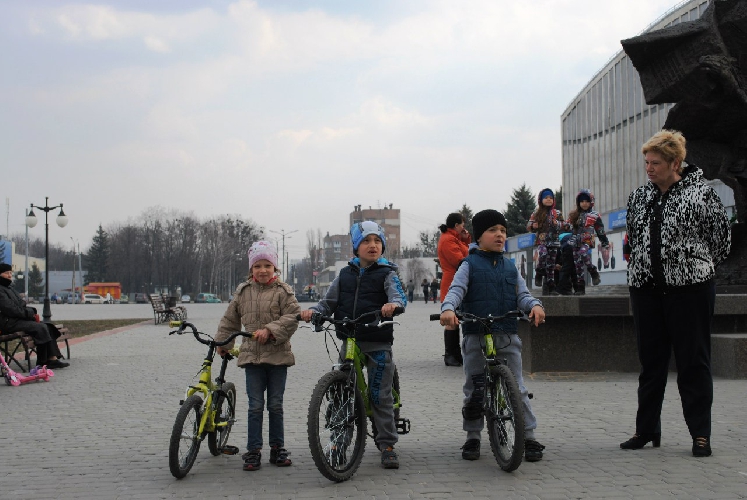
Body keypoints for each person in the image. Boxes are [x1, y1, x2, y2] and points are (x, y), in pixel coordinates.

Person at [621, 130, 731, 458]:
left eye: (656, 163)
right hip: (646, 291)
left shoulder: (701, 194)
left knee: (693, 362)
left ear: (675, 163)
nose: (649, 168)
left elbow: (721, 242)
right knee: (651, 363)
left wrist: (691, 264)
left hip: (690, 292)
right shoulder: (639, 196)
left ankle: (700, 434)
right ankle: (646, 430)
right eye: (646, 162)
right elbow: (634, 237)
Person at [440, 210, 547, 463]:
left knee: (518, 388)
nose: (499, 235)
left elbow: (522, 294)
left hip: (506, 333)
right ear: (479, 236)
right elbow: (456, 290)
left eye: (503, 230)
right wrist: (448, 309)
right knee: (474, 389)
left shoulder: (510, 266)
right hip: (477, 334)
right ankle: (473, 436)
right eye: (492, 230)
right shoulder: (469, 264)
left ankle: (528, 436)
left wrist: (534, 305)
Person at [300, 221, 407, 469]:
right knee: (341, 394)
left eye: (377, 241)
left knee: (379, 395)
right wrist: (314, 312)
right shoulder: (345, 275)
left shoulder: (387, 273)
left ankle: (387, 444)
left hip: (378, 342)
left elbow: (398, 296)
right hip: (349, 340)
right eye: (366, 241)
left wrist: (393, 306)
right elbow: (328, 303)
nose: (372, 246)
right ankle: (339, 442)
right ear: (356, 248)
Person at [214, 241, 301, 471]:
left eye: (267, 265)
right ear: (251, 269)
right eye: (257, 266)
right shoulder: (243, 292)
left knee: (275, 405)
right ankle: (253, 450)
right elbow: (230, 320)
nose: (263, 270)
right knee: (255, 406)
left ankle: (277, 448)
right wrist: (224, 342)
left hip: (277, 357)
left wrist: (271, 330)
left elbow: (293, 317)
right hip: (252, 358)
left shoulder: (283, 292)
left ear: (275, 268)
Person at [0, 264, 69, 369]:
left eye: (10, 273)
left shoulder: (9, 288)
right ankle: (42, 362)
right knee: (40, 327)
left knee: (47, 326)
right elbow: (10, 309)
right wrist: (28, 314)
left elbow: (21, 304)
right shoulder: (1, 290)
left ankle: (52, 359)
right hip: (7, 323)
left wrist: (30, 311)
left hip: (16, 320)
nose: (10, 275)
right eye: (6, 273)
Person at [436, 212, 471, 366]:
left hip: (456, 279)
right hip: (452, 280)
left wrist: (465, 237)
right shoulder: (448, 239)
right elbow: (459, 260)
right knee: (452, 320)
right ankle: (451, 355)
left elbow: (464, 249)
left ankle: (456, 354)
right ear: (456, 225)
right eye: (462, 224)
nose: (464, 227)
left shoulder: (453, 238)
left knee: (456, 318)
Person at [566, 189, 609, 295]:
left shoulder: (594, 215)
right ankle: (580, 287)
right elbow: (566, 227)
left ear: (591, 202)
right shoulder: (573, 215)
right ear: (578, 203)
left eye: (587, 201)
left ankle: (593, 270)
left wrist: (604, 241)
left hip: (587, 240)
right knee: (578, 265)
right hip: (575, 241)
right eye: (582, 201)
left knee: (583, 253)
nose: (584, 203)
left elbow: (600, 229)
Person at [527, 188, 564, 295]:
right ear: (541, 200)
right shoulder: (537, 213)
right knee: (543, 254)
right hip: (542, 241)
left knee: (551, 266)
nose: (548, 200)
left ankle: (551, 287)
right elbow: (529, 226)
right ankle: (538, 272)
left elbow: (566, 226)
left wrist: (557, 223)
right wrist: (533, 226)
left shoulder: (557, 213)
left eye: (551, 198)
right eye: (546, 198)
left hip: (554, 241)